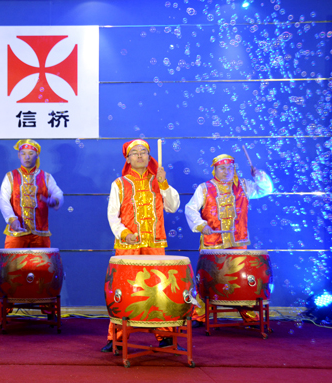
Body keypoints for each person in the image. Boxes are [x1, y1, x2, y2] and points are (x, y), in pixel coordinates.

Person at [101, 139, 181, 353]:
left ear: (149, 156)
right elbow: (112, 215)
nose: (139, 155)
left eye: (143, 152)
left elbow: (173, 207)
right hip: (128, 246)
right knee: (125, 290)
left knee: (160, 289)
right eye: (134, 152)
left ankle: (166, 336)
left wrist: (164, 184)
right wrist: (124, 233)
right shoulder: (119, 184)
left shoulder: (158, 180)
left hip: (155, 244)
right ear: (127, 159)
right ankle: (116, 338)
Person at [184, 154, 273, 325]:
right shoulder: (205, 188)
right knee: (208, 279)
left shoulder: (244, 186)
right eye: (222, 168)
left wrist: (259, 176)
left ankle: (250, 316)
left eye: (230, 168)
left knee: (241, 279)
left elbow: (266, 190)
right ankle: (200, 316)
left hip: (237, 242)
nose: (226, 171)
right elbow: (190, 209)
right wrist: (201, 225)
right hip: (212, 243)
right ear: (215, 170)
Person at [0, 139, 64, 326]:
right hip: (16, 233)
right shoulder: (10, 176)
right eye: (23, 154)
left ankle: (49, 309)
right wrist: (12, 219)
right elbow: (3, 200)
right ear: (18, 155)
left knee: (45, 272)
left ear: (37, 155)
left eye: (31, 153)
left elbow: (58, 194)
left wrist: (54, 200)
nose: (27, 157)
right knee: (8, 272)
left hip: (40, 233)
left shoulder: (46, 177)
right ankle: (2, 310)